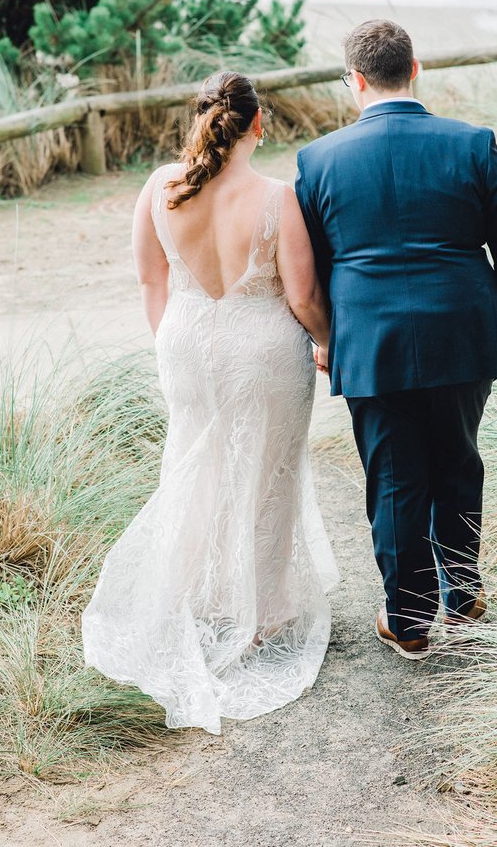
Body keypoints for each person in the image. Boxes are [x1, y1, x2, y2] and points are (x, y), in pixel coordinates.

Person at [82, 71, 339, 735]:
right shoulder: (277, 197)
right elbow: (303, 296)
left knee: (193, 471)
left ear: (199, 119)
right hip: (263, 354)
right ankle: (260, 616)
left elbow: (150, 279)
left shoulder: (160, 186)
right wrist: (327, 342)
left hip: (186, 346)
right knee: (267, 476)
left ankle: (195, 599)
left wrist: (173, 344)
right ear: (258, 124)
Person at [295, 19, 497, 660]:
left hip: (368, 342)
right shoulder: (472, 144)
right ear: (415, 68)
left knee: (393, 477)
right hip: (463, 333)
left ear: (354, 81)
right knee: (457, 460)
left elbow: (310, 265)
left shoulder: (318, 160)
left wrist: (325, 337)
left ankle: (407, 620)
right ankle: (462, 598)